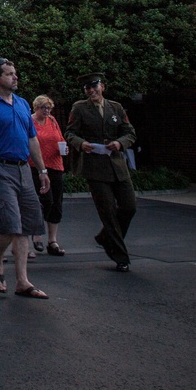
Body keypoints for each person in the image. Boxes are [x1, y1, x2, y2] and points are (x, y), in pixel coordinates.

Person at [0, 59, 50, 299]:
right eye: (9, 74)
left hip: (23, 169)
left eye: (15, 73)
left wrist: (42, 170)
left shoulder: (22, 103)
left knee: (26, 224)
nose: (15, 77)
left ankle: (22, 281)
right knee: (10, 222)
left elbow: (32, 139)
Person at [65, 73, 137, 272]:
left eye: (94, 86)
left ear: (102, 87)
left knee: (129, 207)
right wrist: (81, 144)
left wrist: (120, 143)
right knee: (108, 213)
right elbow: (70, 133)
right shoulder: (79, 108)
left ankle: (106, 238)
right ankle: (120, 256)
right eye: (88, 88)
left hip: (117, 165)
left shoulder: (116, 107)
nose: (91, 91)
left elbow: (129, 132)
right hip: (95, 168)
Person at [30, 95, 67, 254]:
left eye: (48, 108)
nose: (46, 111)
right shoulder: (30, 121)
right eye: (43, 108)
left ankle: (52, 241)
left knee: (57, 203)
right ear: (36, 108)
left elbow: (60, 138)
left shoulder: (52, 120)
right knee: (45, 200)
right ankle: (36, 233)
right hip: (37, 165)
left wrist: (64, 148)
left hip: (55, 164)